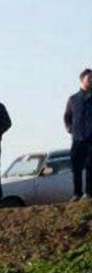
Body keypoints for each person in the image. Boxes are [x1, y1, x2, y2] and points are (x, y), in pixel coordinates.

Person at [63, 68, 92, 200]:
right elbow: (67, 116)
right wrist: (70, 129)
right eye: (89, 78)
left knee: (91, 167)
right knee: (76, 168)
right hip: (78, 139)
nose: (91, 81)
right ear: (82, 80)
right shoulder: (73, 99)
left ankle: (89, 193)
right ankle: (77, 193)